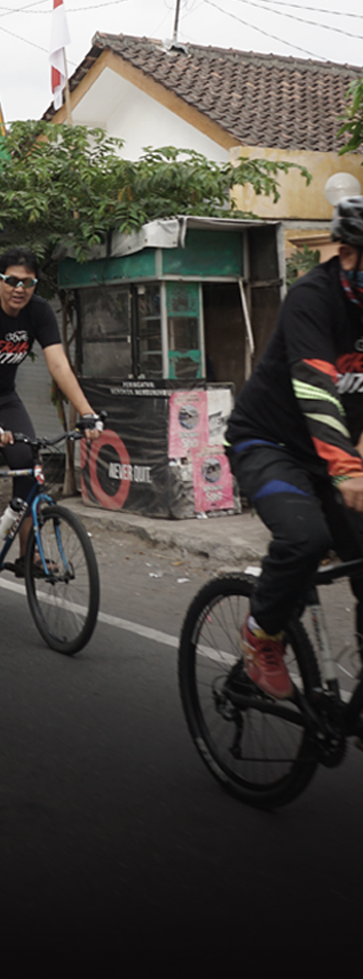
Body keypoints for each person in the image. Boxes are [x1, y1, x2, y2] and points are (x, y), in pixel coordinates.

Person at [225, 195, 363, 700]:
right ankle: (262, 635)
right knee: (305, 539)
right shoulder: (312, 298)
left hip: (334, 455)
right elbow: (314, 387)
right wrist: (348, 470)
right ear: (348, 254)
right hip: (267, 443)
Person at [0, 246, 102, 574]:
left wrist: (87, 412)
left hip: (4, 395)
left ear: (36, 285)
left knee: (27, 462)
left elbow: (58, 363)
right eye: (12, 281)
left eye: (27, 282)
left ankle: (28, 554)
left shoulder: (39, 312)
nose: (19, 289)